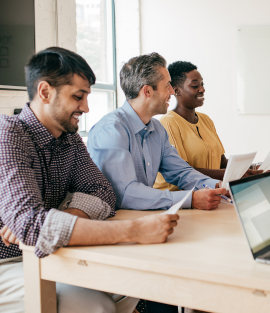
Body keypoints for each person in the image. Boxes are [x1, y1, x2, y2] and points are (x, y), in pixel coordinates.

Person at [0, 47, 179, 313]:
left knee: (137, 282)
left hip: (54, 251)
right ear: (45, 92)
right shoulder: (9, 133)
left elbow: (103, 192)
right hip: (10, 262)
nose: (86, 107)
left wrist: (52, 216)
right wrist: (135, 230)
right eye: (78, 97)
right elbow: (30, 225)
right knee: (94, 305)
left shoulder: (69, 138)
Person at [88, 53, 226, 211]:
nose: (172, 92)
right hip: (113, 223)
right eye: (167, 85)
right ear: (147, 91)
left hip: (143, 219)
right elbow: (126, 194)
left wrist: (217, 185)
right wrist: (191, 199)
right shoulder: (111, 130)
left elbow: (181, 171)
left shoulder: (157, 130)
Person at [153, 61, 263, 191]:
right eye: (195, 85)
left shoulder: (206, 120)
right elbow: (182, 172)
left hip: (211, 193)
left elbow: (222, 163)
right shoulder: (168, 123)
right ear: (176, 90)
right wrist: (234, 175)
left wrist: (251, 168)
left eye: (202, 84)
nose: (202, 89)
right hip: (181, 199)